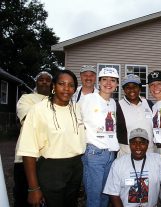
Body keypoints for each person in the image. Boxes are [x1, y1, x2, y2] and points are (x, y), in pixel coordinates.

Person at [16, 70, 86, 207]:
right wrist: (33, 188)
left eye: (71, 85)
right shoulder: (38, 110)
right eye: (62, 84)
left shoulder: (77, 108)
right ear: (53, 86)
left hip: (75, 167)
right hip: (51, 169)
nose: (66, 88)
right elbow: (28, 151)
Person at [81, 67, 120, 207]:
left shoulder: (113, 103)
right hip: (94, 153)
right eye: (105, 79)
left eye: (113, 80)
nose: (108, 83)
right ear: (99, 82)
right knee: (94, 197)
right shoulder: (88, 99)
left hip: (110, 154)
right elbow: (76, 120)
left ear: (116, 84)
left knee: (105, 196)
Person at [13, 71, 52, 207]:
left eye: (48, 80)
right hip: (25, 157)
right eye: (41, 79)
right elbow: (28, 119)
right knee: (24, 196)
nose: (45, 82)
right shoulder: (26, 98)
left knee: (46, 198)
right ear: (36, 82)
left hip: (48, 158)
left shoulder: (55, 100)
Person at [103, 128, 161, 207]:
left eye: (142, 143)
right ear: (129, 144)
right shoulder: (118, 163)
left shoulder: (157, 160)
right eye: (134, 143)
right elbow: (113, 194)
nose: (138, 147)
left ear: (147, 144)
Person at [116, 74, 155, 157]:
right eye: (127, 87)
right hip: (127, 154)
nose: (131, 90)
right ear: (124, 89)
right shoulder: (118, 106)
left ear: (140, 88)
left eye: (135, 86)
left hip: (150, 152)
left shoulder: (149, 104)